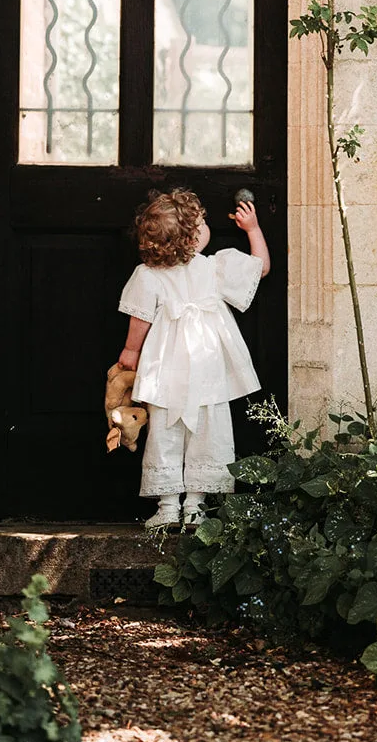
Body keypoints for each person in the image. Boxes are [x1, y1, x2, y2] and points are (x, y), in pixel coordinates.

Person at [116, 187, 270, 528]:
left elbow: (139, 319)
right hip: (207, 367)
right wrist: (253, 229)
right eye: (202, 223)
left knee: (165, 427)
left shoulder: (149, 274)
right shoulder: (213, 268)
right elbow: (260, 268)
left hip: (165, 365)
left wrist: (130, 351)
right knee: (207, 427)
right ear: (193, 236)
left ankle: (169, 504)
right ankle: (194, 507)